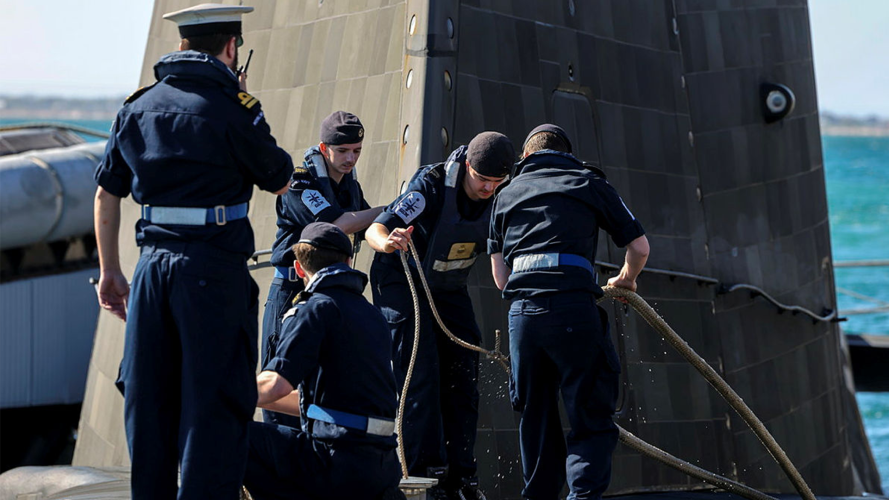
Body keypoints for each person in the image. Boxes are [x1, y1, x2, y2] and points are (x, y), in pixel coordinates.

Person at [92, 4, 293, 499]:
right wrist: (245, 97)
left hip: (150, 273)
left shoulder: (136, 106)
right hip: (211, 271)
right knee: (215, 408)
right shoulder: (234, 108)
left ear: (181, 46)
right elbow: (280, 177)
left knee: (150, 404)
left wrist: (110, 273)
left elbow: (106, 194)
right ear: (231, 48)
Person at [487, 124, 650, 500]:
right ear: (568, 154)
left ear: (524, 158)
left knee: (536, 418)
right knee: (590, 417)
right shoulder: (588, 183)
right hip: (574, 311)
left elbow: (500, 278)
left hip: (523, 318)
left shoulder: (504, 194)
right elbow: (639, 247)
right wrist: (625, 280)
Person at [366, 132, 515, 499]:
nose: (488, 189)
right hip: (402, 280)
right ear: (467, 167)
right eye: (482, 180)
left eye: (497, 183)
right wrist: (387, 241)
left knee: (463, 373)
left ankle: (462, 476)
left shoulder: (500, 198)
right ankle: (424, 474)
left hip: (448, 287)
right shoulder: (430, 187)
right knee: (421, 372)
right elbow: (377, 227)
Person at [244, 222, 402, 500]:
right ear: (349, 261)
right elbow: (322, 406)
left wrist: (216, 395)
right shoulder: (372, 315)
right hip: (381, 468)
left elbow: (274, 384)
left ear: (299, 269)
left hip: (333, 462)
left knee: (225, 434)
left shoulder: (314, 309)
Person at [262, 111, 382, 427]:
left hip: (330, 297)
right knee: (279, 375)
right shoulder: (300, 183)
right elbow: (338, 224)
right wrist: (388, 209)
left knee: (325, 377)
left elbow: (367, 223)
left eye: (356, 150)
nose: (350, 158)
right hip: (292, 293)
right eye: (343, 151)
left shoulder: (349, 188)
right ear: (324, 147)